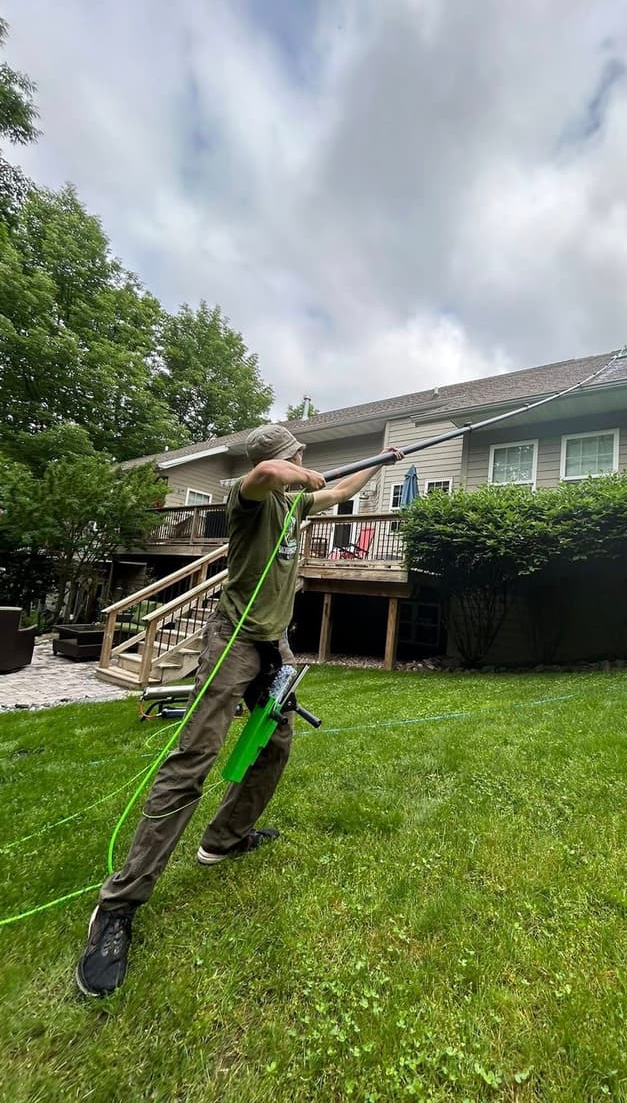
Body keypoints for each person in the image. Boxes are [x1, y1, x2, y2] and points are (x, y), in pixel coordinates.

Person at [76, 423, 402, 997]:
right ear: (285, 459)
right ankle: (117, 907)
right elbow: (266, 475)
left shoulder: (293, 507)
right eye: (298, 455)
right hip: (231, 640)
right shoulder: (252, 500)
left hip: (272, 643)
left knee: (274, 744)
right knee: (192, 761)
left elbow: (339, 493)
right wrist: (301, 471)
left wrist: (381, 459)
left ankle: (225, 837)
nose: (303, 460)